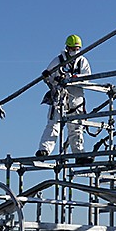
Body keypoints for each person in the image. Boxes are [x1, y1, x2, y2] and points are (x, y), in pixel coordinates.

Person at [37, 34, 92, 163]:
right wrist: (47, 76)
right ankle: (44, 150)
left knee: (76, 127)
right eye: (72, 48)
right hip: (60, 97)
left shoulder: (83, 61)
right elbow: (49, 76)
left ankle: (79, 155)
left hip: (76, 97)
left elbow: (87, 79)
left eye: (77, 48)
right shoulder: (58, 60)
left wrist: (74, 78)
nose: (74, 51)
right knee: (53, 125)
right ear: (67, 48)